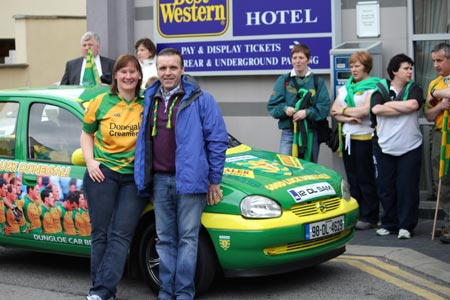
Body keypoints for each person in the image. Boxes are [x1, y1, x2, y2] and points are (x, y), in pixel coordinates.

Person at [134, 48, 228, 300]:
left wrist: (214, 180)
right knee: (164, 239)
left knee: (188, 239)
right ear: (157, 70)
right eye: (162, 68)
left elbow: (217, 140)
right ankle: (166, 291)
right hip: (159, 181)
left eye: (173, 68)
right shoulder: (149, 98)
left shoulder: (201, 99)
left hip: (191, 181)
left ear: (182, 69)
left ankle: (184, 292)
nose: (167, 73)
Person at [81, 53, 147, 300]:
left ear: (139, 75)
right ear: (116, 75)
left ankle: (100, 291)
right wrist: (90, 161)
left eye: (132, 71)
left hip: (134, 178)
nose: (128, 76)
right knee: (100, 233)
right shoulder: (101, 101)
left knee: (121, 234)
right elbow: (86, 133)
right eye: (123, 71)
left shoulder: (146, 103)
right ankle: (101, 291)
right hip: (103, 174)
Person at [371, 54, 424, 239]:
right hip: (384, 146)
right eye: (406, 68)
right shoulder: (380, 88)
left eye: (411, 68)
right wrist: (399, 107)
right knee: (386, 187)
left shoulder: (415, 88)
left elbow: (414, 105)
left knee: (407, 187)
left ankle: (406, 226)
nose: (410, 71)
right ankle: (389, 223)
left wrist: (389, 105)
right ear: (394, 71)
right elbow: (376, 109)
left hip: (410, 146)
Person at [330, 51, 380, 230]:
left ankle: (370, 216)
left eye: (357, 66)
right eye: (351, 66)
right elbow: (334, 111)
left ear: (366, 67)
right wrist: (347, 116)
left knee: (366, 178)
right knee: (353, 178)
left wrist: (344, 112)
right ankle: (357, 212)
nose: (353, 69)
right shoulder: (345, 88)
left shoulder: (373, 86)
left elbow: (365, 111)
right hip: (348, 137)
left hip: (365, 137)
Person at [267, 43, 331, 162]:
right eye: (294, 58)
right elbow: (272, 106)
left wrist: (307, 113)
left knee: (309, 170)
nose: (298, 61)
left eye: (301, 58)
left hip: (311, 133)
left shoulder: (317, 82)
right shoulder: (284, 80)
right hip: (289, 133)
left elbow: (324, 107)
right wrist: (285, 109)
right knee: (286, 168)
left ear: (308, 60)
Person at [424, 43, 450, 244]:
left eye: (439, 60)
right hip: (441, 134)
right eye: (433, 61)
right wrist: (439, 104)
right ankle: (448, 223)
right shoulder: (434, 84)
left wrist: (440, 94)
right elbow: (428, 114)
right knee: (443, 180)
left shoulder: (438, 89)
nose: (436, 65)